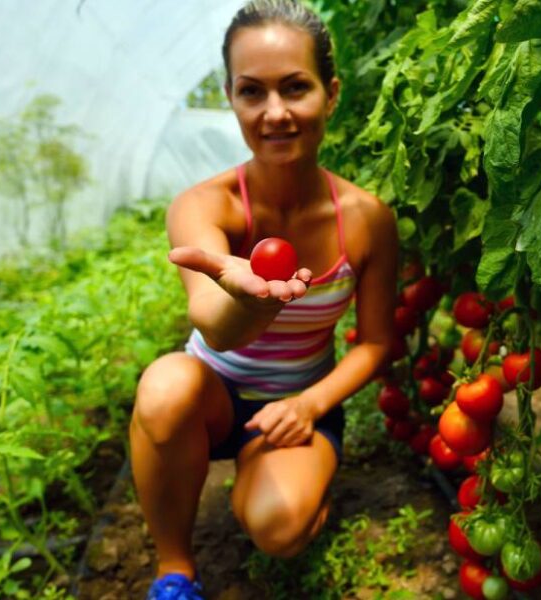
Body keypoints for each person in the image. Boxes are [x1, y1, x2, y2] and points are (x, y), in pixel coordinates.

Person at [130, 1, 398, 598]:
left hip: (297, 402)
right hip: (213, 397)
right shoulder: (205, 206)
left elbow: (379, 341)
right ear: (231, 97)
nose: (275, 113)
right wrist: (252, 301)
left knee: (279, 529)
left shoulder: (367, 219)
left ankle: (275, 481)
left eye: (295, 88)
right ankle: (174, 570)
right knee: (165, 385)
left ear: (330, 94)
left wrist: (308, 404)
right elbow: (214, 327)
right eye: (253, 92)